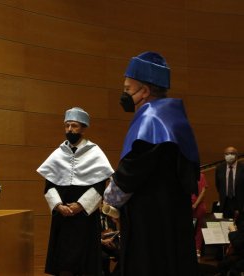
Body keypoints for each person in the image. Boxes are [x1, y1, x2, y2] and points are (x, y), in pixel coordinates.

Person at [103, 52, 200, 276]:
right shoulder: (175, 119)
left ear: (144, 92)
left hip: (149, 222)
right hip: (173, 217)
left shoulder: (151, 121)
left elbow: (128, 175)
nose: (124, 94)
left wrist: (108, 201)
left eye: (128, 89)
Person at [37, 107, 114, 275]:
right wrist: (59, 206)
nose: (70, 129)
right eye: (67, 126)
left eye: (74, 126)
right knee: (63, 263)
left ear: (83, 128)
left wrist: (80, 205)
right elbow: (49, 186)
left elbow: (100, 186)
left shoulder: (95, 153)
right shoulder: (57, 154)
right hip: (62, 216)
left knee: (84, 263)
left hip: (85, 217)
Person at [215, 146, 244, 219]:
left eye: (231, 153)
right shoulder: (219, 168)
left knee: (240, 226)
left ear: (236, 155)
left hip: (240, 202)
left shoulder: (242, 168)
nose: (229, 156)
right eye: (226, 154)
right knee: (226, 225)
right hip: (226, 202)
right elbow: (218, 185)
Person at [192, 172, 208, 257]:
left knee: (199, 229)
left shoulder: (201, 175)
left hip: (199, 206)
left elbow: (203, 192)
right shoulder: (184, 174)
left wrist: (195, 205)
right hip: (186, 206)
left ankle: (197, 249)